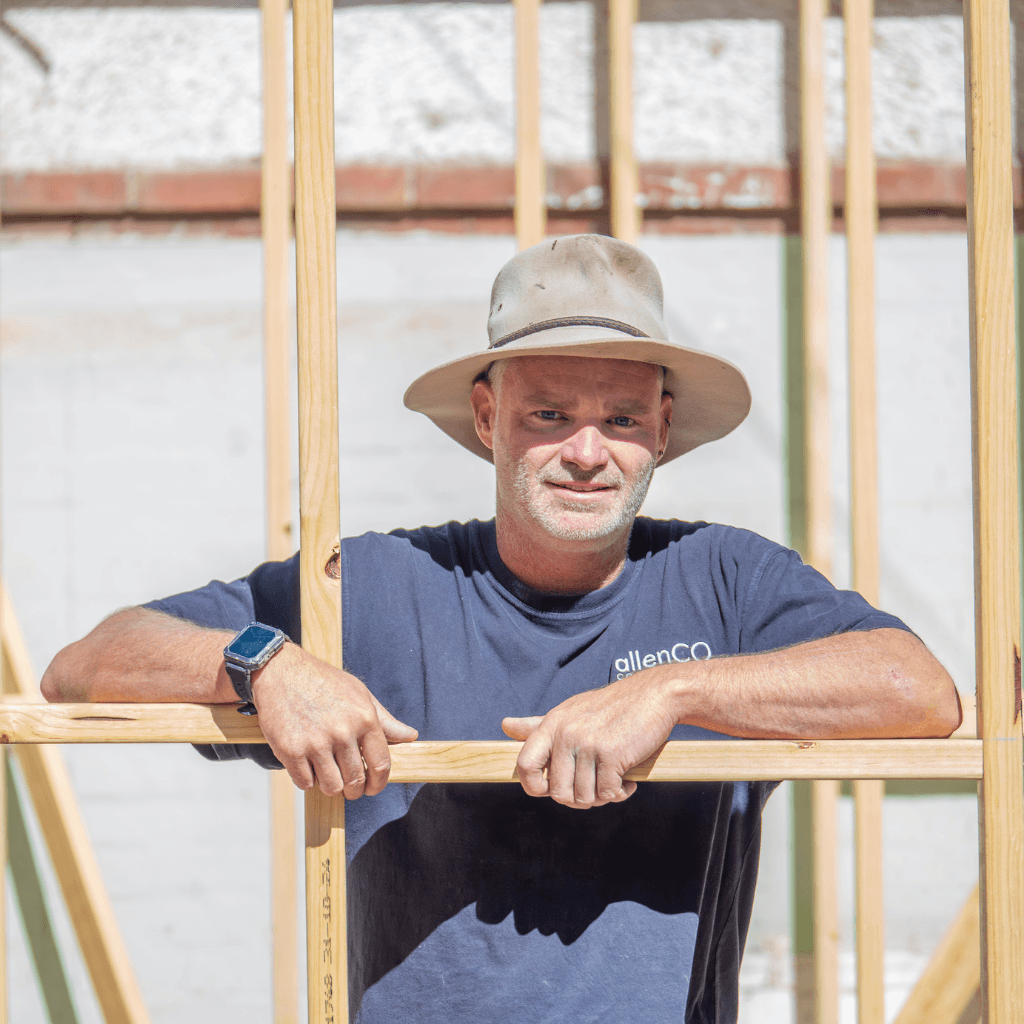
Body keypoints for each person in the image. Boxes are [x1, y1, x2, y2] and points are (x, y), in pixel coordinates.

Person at [42, 234, 960, 1023]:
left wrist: (673, 690)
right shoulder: (379, 587)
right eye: (549, 416)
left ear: (664, 428)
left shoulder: (724, 580)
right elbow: (85, 669)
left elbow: (919, 693)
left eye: (623, 418)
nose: (588, 452)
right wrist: (266, 662)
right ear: (488, 419)